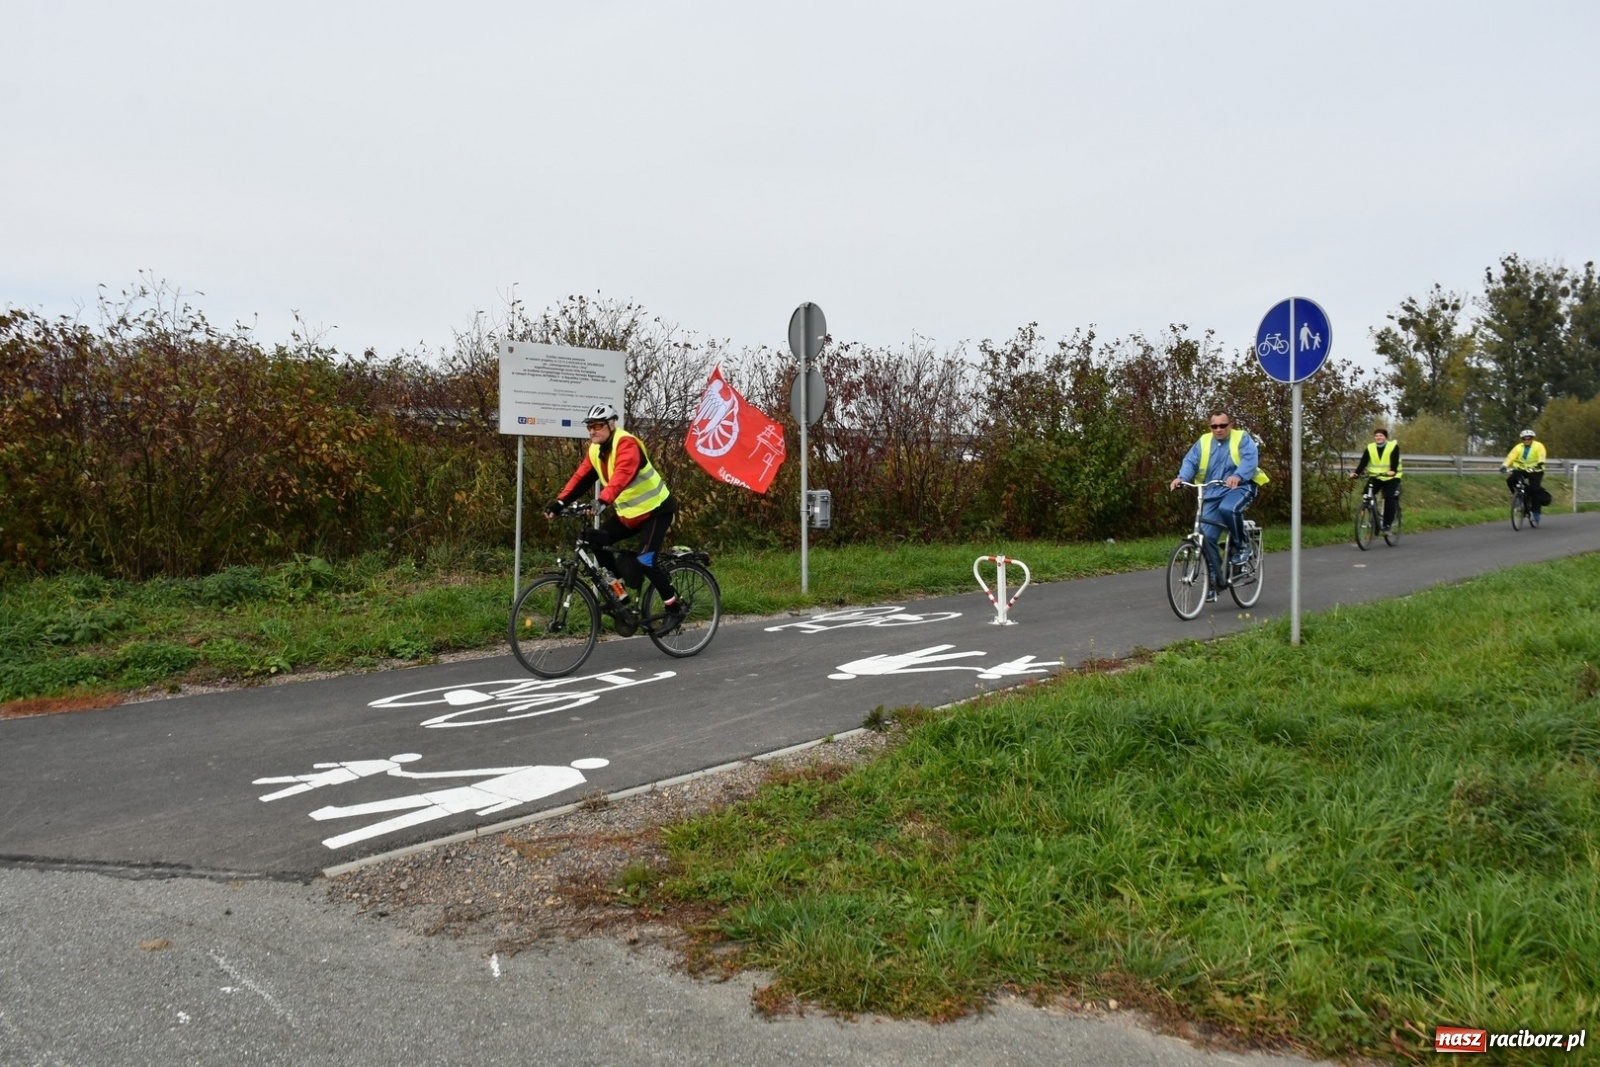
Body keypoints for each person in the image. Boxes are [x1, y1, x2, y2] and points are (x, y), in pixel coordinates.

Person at [545, 403, 687, 629]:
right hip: (629, 515)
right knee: (595, 540)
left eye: (598, 426)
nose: (592, 431)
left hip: (656, 510)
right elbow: (580, 478)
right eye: (589, 427)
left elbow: (622, 475)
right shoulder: (595, 449)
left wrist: (602, 500)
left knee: (645, 560)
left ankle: (674, 607)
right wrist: (559, 503)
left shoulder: (627, 444)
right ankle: (621, 598)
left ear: (611, 425)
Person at [1169, 412, 1270, 597]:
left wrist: (1238, 476)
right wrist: (1181, 478)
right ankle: (1215, 583)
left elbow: (1250, 459)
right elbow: (1190, 461)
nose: (1218, 430)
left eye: (1222, 425)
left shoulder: (1241, 438)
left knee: (1228, 508)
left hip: (1241, 487)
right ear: (1210, 427)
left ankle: (1242, 546)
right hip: (1212, 492)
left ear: (1231, 424)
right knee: (1206, 538)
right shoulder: (1204, 441)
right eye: (1214, 426)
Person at [1349, 426, 1402, 532]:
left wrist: (1392, 470)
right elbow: (1363, 462)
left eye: (1381, 435)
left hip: (1391, 477)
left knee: (1388, 498)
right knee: (1366, 495)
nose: (1378, 437)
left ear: (1385, 437)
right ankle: (1374, 518)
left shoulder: (1393, 446)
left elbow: (1394, 461)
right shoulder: (1370, 447)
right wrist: (1356, 473)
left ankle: (1387, 525)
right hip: (1376, 477)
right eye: (1376, 436)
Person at [1502, 428, 1548, 526]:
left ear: (1532, 439)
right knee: (1510, 480)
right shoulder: (1518, 447)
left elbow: (1542, 455)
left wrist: (1540, 463)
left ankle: (1536, 512)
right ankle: (1519, 497)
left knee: (1535, 490)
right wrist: (1504, 465)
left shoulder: (1538, 446)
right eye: (1524, 439)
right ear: (1522, 439)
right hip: (1521, 469)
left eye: (1529, 439)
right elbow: (1511, 456)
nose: (1526, 441)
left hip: (1535, 470)